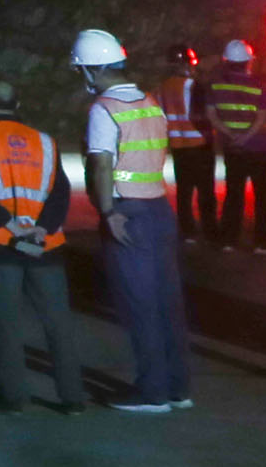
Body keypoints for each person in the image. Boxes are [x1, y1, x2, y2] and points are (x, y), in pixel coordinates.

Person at [71, 27, 191, 413]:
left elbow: (101, 165)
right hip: (159, 209)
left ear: (92, 69)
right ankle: (177, 388)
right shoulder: (149, 101)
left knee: (141, 306)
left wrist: (108, 212)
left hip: (128, 212)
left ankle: (152, 393)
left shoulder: (104, 109)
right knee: (167, 304)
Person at [0, 75, 85, 414]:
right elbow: (60, 192)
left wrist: (12, 226)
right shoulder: (44, 141)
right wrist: (41, 230)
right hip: (45, 245)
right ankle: (73, 398)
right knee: (58, 322)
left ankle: (15, 398)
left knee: (8, 324)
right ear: (17, 105)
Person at [203, 38, 266, 251]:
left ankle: (229, 240)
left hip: (233, 148)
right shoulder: (258, 85)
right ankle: (262, 242)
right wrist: (246, 137)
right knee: (263, 196)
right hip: (259, 148)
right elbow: (262, 117)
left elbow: (211, 115)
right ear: (249, 61)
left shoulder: (215, 85)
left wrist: (231, 135)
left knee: (234, 194)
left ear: (226, 60)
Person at [162, 42, 217, 242]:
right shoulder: (194, 86)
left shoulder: (163, 88)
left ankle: (187, 231)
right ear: (188, 64)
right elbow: (202, 115)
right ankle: (210, 229)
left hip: (178, 146)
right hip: (200, 145)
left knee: (184, 192)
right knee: (205, 191)